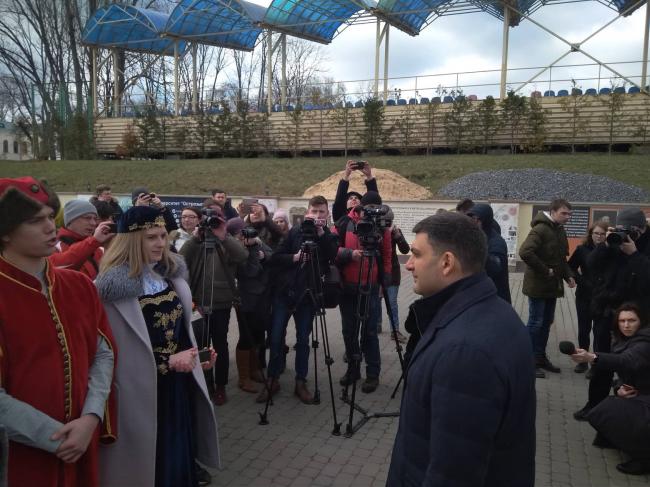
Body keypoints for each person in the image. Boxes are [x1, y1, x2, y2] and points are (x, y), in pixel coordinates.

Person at [387, 211, 536, 487]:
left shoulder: (465, 352)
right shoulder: (492, 311)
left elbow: (453, 473)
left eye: (417, 255)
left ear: (447, 262)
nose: (409, 265)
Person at [0, 177, 116, 487]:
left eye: (51, 216)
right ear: (5, 231)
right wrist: (55, 437)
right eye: (34, 221)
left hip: (81, 444)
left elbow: (102, 353)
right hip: (21, 458)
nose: (50, 227)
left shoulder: (78, 286)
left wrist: (91, 417)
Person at [95, 205, 219, 487]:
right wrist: (167, 362)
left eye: (163, 236)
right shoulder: (107, 290)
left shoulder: (170, 276)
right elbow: (108, 351)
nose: (161, 243)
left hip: (177, 386)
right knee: (150, 458)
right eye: (151, 237)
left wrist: (196, 357)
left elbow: (182, 332)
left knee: (177, 451)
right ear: (131, 240)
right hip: (139, 390)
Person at [258, 196, 338, 404]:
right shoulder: (295, 231)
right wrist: (295, 257)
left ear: (327, 214)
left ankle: (300, 382)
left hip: (308, 296)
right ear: (307, 212)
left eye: (321, 212)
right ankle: (273, 379)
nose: (317, 215)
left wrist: (321, 234)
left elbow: (332, 256)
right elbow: (276, 257)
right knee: (276, 338)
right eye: (314, 211)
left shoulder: (328, 235)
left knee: (303, 341)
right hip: (284, 294)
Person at [574, 207, 650, 420]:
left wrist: (634, 254)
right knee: (602, 361)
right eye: (622, 229)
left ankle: (633, 411)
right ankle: (594, 405)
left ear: (642, 229)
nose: (627, 234)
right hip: (607, 312)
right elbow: (591, 264)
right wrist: (606, 245)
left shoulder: (644, 247)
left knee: (634, 364)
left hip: (637, 317)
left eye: (632, 230)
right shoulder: (613, 241)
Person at [569, 303, 650, 475]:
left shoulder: (644, 343)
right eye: (622, 321)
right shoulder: (623, 340)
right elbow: (624, 374)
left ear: (641, 322)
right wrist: (620, 387)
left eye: (632, 321)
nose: (626, 325)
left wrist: (592, 357)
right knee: (604, 410)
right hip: (640, 394)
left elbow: (626, 361)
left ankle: (643, 459)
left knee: (611, 411)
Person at [180, 207, 248, 405]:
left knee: (220, 344)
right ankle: (205, 381)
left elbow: (242, 256)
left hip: (221, 302)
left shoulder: (227, 241)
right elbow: (179, 261)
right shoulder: (196, 242)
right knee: (201, 344)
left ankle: (220, 385)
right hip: (197, 302)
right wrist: (195, 239)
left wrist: (223, 236)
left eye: (216, 220)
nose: (212, 224)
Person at [334, 191, 392, 393]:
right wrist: (349, 254)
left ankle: (373, 374)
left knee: (369, 332)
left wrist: (385, 280)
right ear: (360, 207)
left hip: (371, 286)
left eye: (376, 207)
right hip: (348, 286)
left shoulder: (381, 225)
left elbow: (387, 254)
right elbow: (332, 249)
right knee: (349, 331)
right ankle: (353, 370)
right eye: (369, 207)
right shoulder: (344, 223)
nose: (372, 211)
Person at [519, 198, 576, 379]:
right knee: (536, 323)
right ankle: (527, 361)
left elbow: (561, 259)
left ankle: (540, 357)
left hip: (552, 286)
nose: (567, 217)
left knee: (546, 323)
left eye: (569, 214)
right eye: (564, 213)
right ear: (552, 212)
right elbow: (525, 252)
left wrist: (568, 276)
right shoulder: (541, 229)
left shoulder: (559, 230)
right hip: (537, 285)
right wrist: (545, 270)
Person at [226, 218, 272, 393]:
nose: (244, 235)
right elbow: (250, 271)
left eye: (245, 230)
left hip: (261, 295)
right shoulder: (234, 249)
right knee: (246, 336)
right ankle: (243, 378)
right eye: (240, 232)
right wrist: (253, 250)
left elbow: (272, 254)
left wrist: (262, 253)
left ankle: (254, 370)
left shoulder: (255, 241)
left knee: (258, 334)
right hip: (245, 297)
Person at [568, 221, 607, 373]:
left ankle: (596, 363)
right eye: (596, 233)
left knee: (600, 331)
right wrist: (580, 280)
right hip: (584, 295)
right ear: (591, 234)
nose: (599, 236)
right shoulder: (582, 249)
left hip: (603, 297)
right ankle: (583, 361)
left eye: (602, 234)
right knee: (584, 329)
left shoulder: (610, 250)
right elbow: (571, 267)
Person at [49, 199, 115, 279]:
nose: (93, 223)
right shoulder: (53, 246)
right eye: (87, 218)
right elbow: (64, 265)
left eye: (95, 219)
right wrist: (94, 241)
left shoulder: (97, 248)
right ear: (71, 220)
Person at [467, 203, 511, 303]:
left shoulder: (497, 243)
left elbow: (495, 268)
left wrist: (474, 250)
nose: (473, 223)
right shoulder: (479, 237)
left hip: (496, 296)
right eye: (471, 219)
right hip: (482, 294)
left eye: (476, 219)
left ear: (485, 221)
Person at [384, 208, 410, 343]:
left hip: (392, 272)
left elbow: (405, 250)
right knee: (375, 302)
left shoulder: (395, 231)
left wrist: (398, 236)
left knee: (392, 302)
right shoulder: (374, 231)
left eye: (389, 221)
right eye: (385, 221)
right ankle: (376, 324)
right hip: (376, 271)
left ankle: (395, 330)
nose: (387, 224)